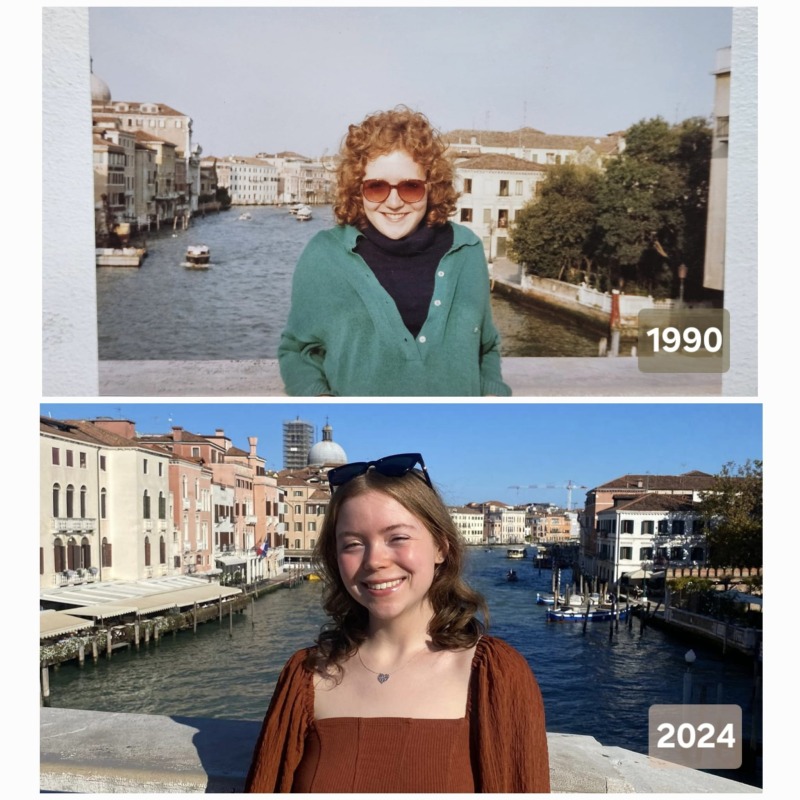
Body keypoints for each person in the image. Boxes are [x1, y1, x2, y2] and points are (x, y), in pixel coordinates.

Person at [245, 453, 549, 793]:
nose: (375, 560)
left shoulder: (495, 675)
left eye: (398, 538)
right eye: (353, 544)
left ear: (441, 548)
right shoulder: (304, 676)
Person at [278, 106, 511, 397]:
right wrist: (323, 402)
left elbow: (486, 346)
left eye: (410, 187)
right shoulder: (324, 256)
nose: (394, 202)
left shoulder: (467, 250)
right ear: (357, 189)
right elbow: (298, 351)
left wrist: (492, 399)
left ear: (430, 187)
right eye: (376, 188)